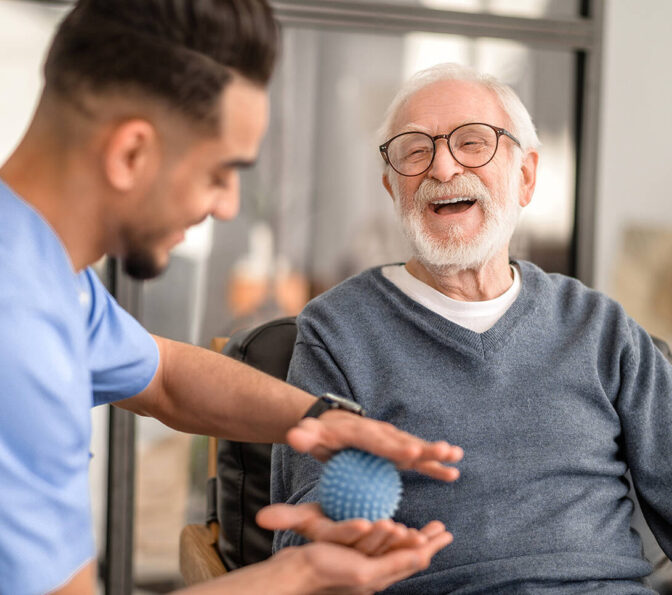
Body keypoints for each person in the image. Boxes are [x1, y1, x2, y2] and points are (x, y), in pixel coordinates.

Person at [0, 2, 469, 594]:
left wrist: (319, 421)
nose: (229, 205)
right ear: (131, 153)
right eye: (219, 173)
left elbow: (166, 378)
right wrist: (301, 575)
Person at [271, 62, 672, 593]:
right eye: (415, 150)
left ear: (525, 175)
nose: (442, 167)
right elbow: (305, 539)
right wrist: (345, 537)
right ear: (392, 186)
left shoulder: (600, 327)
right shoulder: (338, 331)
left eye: (473, 143)